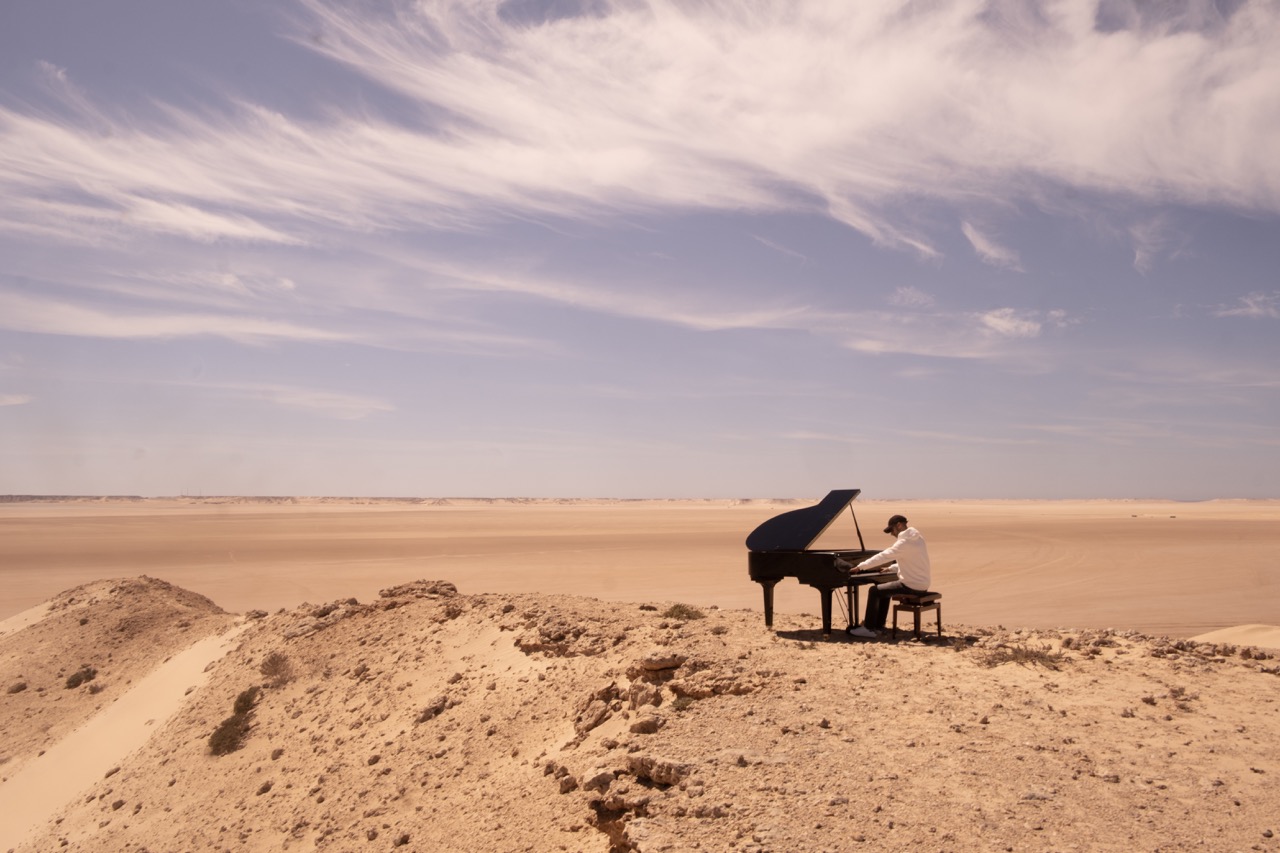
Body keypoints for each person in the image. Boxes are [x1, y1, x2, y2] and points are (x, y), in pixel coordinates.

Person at [847, 514, 930, 639]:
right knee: (884, 589)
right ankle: (879, 625)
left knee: (874, 591)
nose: (891, 534)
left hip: (911, 585)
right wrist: (891, 568)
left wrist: (860, 567)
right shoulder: (918, 539)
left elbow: (883, 556)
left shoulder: (903, 543)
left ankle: (869, 628)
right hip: (922, 583)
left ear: (899, 525)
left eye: (891, 530)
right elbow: (913, 562)